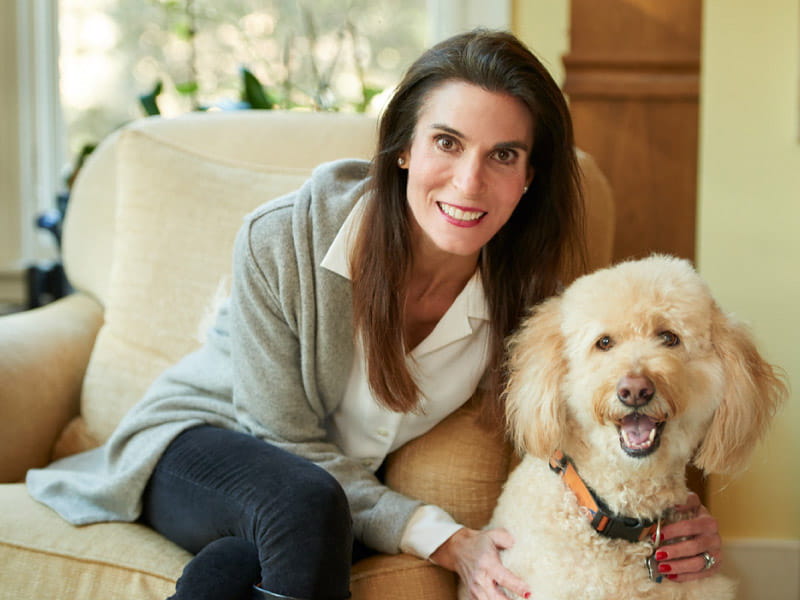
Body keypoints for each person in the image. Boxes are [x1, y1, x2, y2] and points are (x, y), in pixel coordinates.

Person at [26, 29, 723, 600]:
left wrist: (673, 525)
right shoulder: (284, 241)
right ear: (403, 150)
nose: (469, 182)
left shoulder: (536, 298)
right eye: (446, 143)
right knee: (301, 502)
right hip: (197, 446)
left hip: (314, 517)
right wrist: (443, 537)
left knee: (234, 573)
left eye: (502, 155)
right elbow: (284, 446)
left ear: (529, 176)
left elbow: (591, 434)